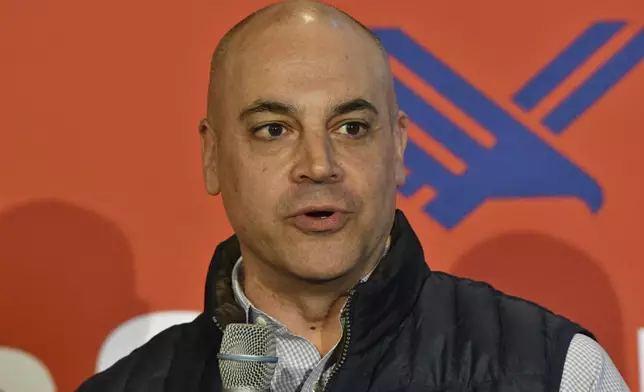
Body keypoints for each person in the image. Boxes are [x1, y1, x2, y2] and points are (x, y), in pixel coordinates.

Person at [77, 1, 630, 391]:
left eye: (351, 128)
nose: (318, 165)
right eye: (274, 128)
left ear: (400, 148)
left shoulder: (556, 371)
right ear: (213, 156)